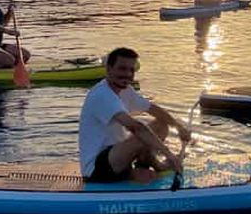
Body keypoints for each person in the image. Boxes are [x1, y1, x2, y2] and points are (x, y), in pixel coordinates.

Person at [79, 47, 191, 183]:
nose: (127, 74)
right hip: (97, 169)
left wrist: (179, 127)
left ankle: (142, 166)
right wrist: (169, 154)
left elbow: (153, 109)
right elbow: (135, 128)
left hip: (119, 157)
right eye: (122, 68)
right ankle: (157, 165)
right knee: (141, 132)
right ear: (108, 69)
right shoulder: (102, 95)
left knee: (161, 124)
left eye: (131, 70)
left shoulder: (126, 90)